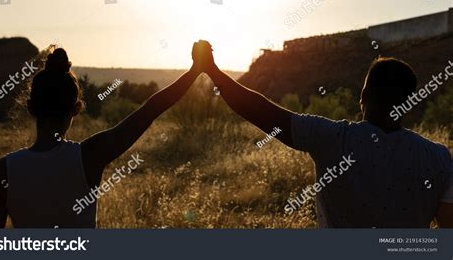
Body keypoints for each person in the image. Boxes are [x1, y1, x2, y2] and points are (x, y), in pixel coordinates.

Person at [192, 40, 453, 228]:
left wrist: (212, 71)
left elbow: (261, 112)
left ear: (363, 97)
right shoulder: (439, 158)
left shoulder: (332, 138)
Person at [0, 45, 205, 228]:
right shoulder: (90, 156)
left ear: (30, 107)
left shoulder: (2, 171)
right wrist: (195, 70)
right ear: (77, 108)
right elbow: (151, 109)